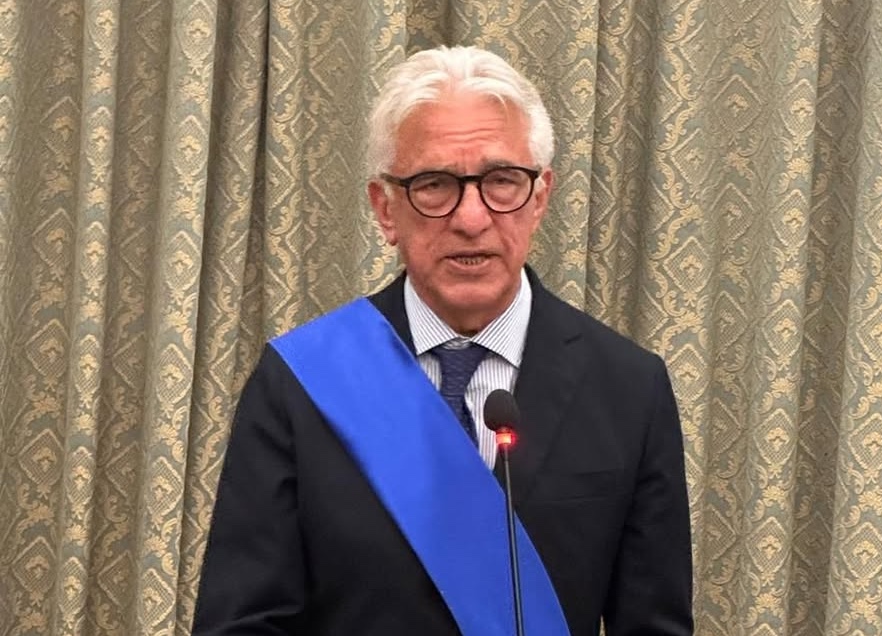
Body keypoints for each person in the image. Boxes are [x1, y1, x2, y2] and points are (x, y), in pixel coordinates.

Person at [193, 45, 693, 636]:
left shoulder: (628, 388)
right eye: (434, 185)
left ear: (540, 199)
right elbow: (244, 623)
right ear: (385, 209)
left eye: (502, 181)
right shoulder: (300, 382)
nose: (471, 218)